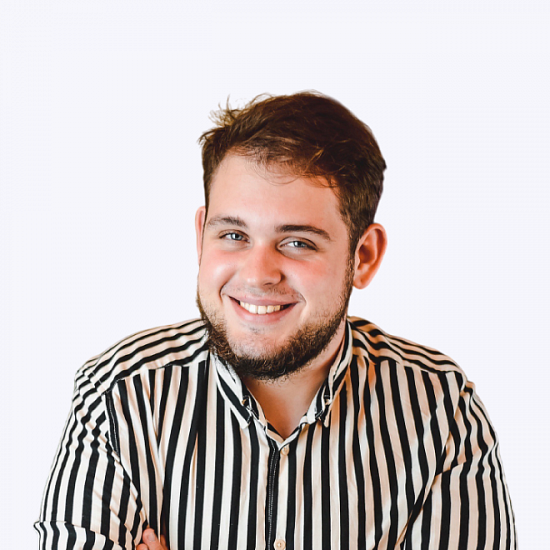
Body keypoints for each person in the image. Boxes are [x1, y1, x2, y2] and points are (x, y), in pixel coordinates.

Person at [36, 92, 516, 550]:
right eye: (233, 235)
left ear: (363, 257)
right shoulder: (120, 397)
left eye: (297, 242)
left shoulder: (440, 412)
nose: (257, 274)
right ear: (201, 236)